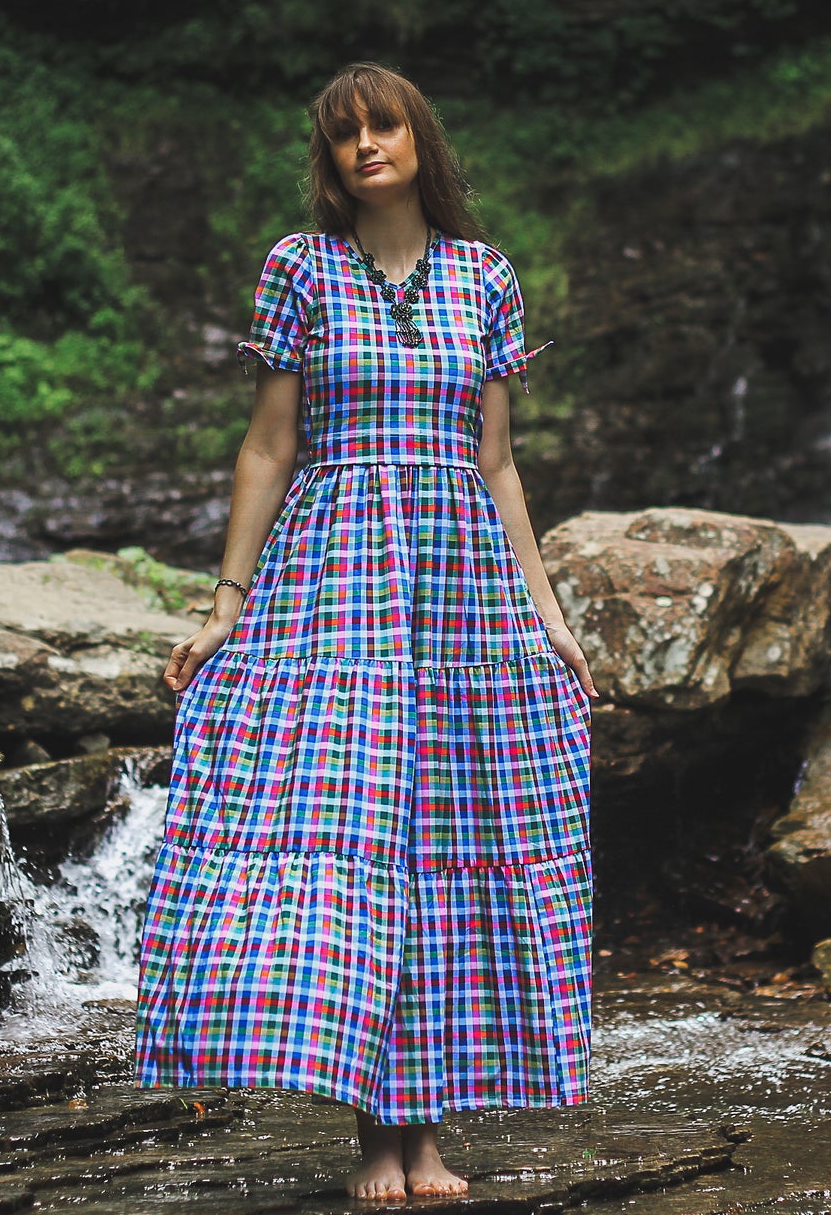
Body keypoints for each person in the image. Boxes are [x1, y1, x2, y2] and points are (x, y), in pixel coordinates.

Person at [133, 60, 600, 1202]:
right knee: (353, 849)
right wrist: (226, 601)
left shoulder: (482, 277)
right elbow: (268, 446)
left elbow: (494, 463)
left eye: (381, 125)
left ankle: (424, 1135)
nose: (364, 146)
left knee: (443, 843)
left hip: (458, 594)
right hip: (332, 579)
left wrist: (547, 614)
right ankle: (369, 1140)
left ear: (416, 138)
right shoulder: (300, 268)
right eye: (343, 134)